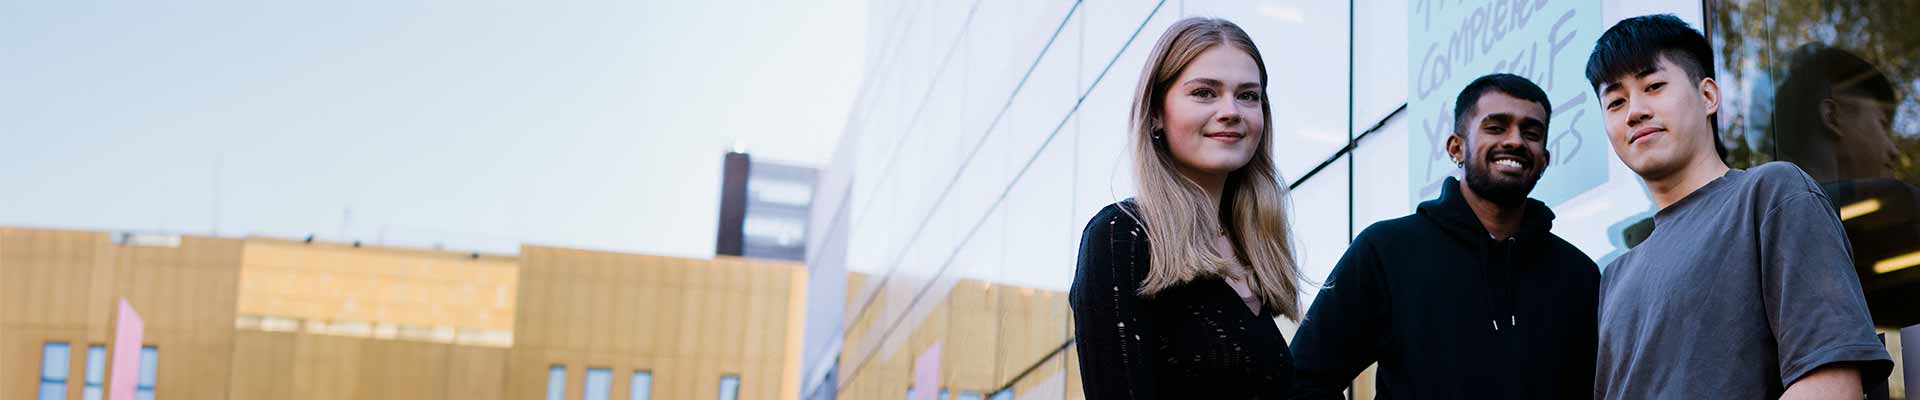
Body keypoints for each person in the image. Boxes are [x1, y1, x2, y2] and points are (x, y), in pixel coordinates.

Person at [1585, 14, 1893, 399]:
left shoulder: (1771, 194)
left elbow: (1830, 383)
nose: (1635, 111)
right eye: (1615, 101)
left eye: (1654, 85)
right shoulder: (1615, 278)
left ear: (1709, 96)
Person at [1289, 73, 1600, 399]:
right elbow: (1302, 379)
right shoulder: (1387, 250)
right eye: (1496, 127)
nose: (1515, 141)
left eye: (1531, 132)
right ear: (1456, 148)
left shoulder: (1578, 275)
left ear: (1545, 159)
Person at [1069, 17, 1305, 399]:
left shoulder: (1251, 256)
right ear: (1157, 113)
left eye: (1248, 96)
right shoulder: (1122, 236)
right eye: (1204, 93)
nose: (1231, 110)